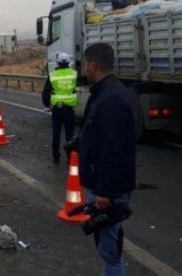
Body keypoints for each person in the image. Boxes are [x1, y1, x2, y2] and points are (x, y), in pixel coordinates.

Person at [77, 43, 136, 276]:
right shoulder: (106, 93)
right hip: (105, 187)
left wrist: (104, 191)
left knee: (110, 253)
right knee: (108, 249)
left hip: (107, 192)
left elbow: (114, 150)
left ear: (93, 65)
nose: (83, 69)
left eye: (84, 64)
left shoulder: (110, 99)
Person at [41, 52, 78, 163]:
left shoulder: (52, 75)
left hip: (57, 108)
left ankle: (56, 156)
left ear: (57, 62)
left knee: (56, 133)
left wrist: (47, 105)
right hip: (69, 108)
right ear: (68, 62)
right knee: (69, 134)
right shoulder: (74, 74)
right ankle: (70, 157)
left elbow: (46, 92)